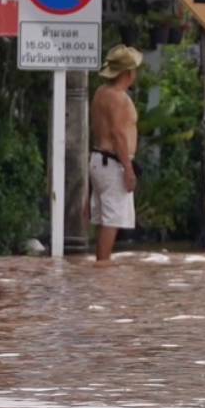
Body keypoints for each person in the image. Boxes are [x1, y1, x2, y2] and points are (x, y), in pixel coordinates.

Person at [90, 46, 141, 263]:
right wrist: (128, 170)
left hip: (99, 160)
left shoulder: (100, 93)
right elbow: (119, 134)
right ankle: (103, 270)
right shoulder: (119, 98)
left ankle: (102, 266)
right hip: (112, 163)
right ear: (128, 73)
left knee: (106, 219)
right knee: (112, 220)